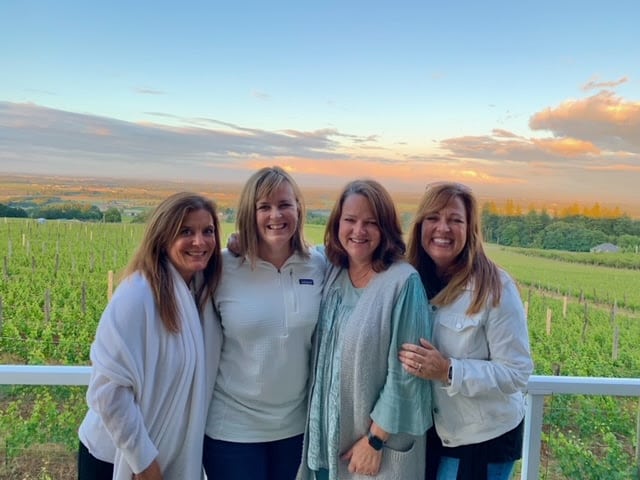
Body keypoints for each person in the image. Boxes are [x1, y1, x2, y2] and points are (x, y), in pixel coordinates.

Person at [77, 192, 223, 480]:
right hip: (116, 457)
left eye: (208, 231)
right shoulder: (137, 295)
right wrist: (143, 462)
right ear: (163, 237)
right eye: (186, 232)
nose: (200, 242)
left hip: (160, 455)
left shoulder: (199, 291)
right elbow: (108, 391)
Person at [297, 179, 433, 480]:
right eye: (350, 220)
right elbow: (289, 252)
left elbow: (408, 374)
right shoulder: (332, 269)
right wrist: (239, 243)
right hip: (326, 446)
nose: (358, 231)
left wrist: (375, 439)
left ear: (386, 229)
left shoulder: (403, 282)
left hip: (374, 453)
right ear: (337, 224)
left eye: (371, 223)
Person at [398, 182, 533, 480]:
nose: (442, 228)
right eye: (433, 217)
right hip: (430, 434)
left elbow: (517, 372)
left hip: (483, 440)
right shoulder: (409, 280)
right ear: (420, 225)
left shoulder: (495, 287)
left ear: (470, 229)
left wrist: (449, 371)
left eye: (455, 220)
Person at [203, 166, 326, 480]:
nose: (276, 215)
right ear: (249, 212)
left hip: (296, 430)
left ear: (298, 208)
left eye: (285, 204)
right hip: (232, 430)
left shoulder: (319, 265)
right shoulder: (221, 267)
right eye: (264, 207)